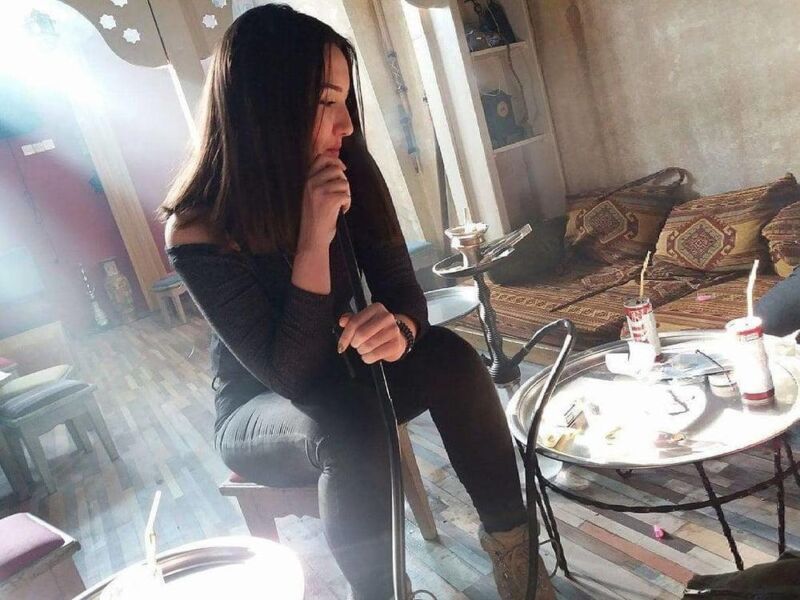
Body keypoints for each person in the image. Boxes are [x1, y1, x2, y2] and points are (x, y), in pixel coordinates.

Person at [160, 5, 554, 599]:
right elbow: (289, 375)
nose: (345, 124)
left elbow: (402, 291)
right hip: (260, 407)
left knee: (451, 357)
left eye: (346, 99)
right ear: (265, 106)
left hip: (345, 374)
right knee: (346, 421)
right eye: (326, 102)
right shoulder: (199, 226)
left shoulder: (349, 167)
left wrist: (401, 330)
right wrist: (314, 236)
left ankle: (517, 557)